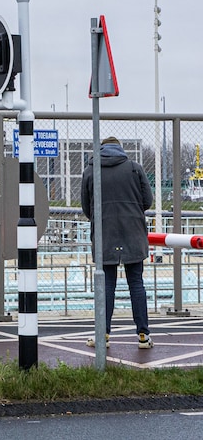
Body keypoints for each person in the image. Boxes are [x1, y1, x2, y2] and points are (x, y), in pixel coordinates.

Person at [81, 136, 155, 349]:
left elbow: (87, 207)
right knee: (136, 283)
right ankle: (143, 335)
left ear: (101, 149)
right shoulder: (134, 168)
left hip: (105, 232)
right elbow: (147, 201)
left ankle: (102, 334)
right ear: (120, 150)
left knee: (107, 285)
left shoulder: (91, 170)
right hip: (133, 232)